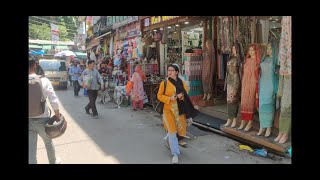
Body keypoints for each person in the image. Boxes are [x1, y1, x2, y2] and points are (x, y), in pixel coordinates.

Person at [157, 64, 198, 164]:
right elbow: (159, 95)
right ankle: (175, 154)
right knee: (172, 131)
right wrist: (169, 98)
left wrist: (181, 96)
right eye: (168, 70)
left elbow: (185, 94)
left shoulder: (182, 83)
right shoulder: (164, 83)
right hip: (168, 110)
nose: (170, 72)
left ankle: (168, 139)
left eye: (172, 70)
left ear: (176, 72)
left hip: (179, 111)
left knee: (178, 130)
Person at [29, 59, 61, 164]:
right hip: (42, 118)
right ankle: (53, 162)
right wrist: (57, 115)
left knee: (31, 147)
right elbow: (53, 99)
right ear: (34, 65)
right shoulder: (44, 80)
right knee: (48, 142)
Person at [257, 41, 279, 137]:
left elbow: (277, 76)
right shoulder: (263, 59)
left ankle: (269, 127)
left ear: (274, 49)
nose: (269, 50)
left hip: (271, 85)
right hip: (262, 85)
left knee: (269, 106)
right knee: (261, 106)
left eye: (271, 48)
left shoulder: (276, 61)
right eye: (268, 48)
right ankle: (262, 126)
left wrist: (276, 89)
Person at [238, 43, 262, 131]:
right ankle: (243, 120)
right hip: (245, 82)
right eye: (250, 50)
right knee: (244, 102)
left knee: (250, 102)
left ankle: (250, 122)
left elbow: (259, 74)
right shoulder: (247, 60)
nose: (251, 52)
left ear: (256, 51)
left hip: (253, 83)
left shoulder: (258, 61)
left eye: (253, 50)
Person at [224, 44, 242, 128]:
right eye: (233, 48)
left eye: (235, 49)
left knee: (234, 100)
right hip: (229, 81)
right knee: (229, 100)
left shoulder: (239, 59)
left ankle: (234, 119)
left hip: (236, 81)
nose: (233, 50)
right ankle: (229, 118)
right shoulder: (230, 58)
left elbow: (241, 72)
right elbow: (227, 71)